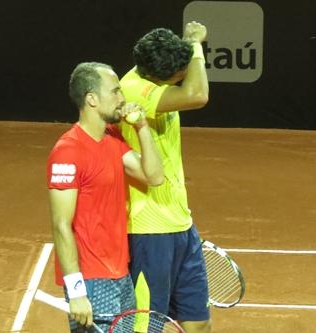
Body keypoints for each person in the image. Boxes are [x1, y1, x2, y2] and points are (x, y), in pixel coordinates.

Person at [46, 62, 164, 333]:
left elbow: (154, 176)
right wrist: (76, 291)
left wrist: (142, 127)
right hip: (91, 278)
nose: (122, 99)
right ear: (92, 99)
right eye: (115, 92)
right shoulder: (67, 152)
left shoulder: (112, 142)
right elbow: (61, 225)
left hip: (120, 273)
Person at [118, 22, 211, 333]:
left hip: (181, 223)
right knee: (147, 326)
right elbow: (198, 95)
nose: (184, 77)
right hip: (149, 230)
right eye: (178, 76)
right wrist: (196, 43)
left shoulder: (155, 79)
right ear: (156, 79)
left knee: (198, 323)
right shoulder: (133, 91)